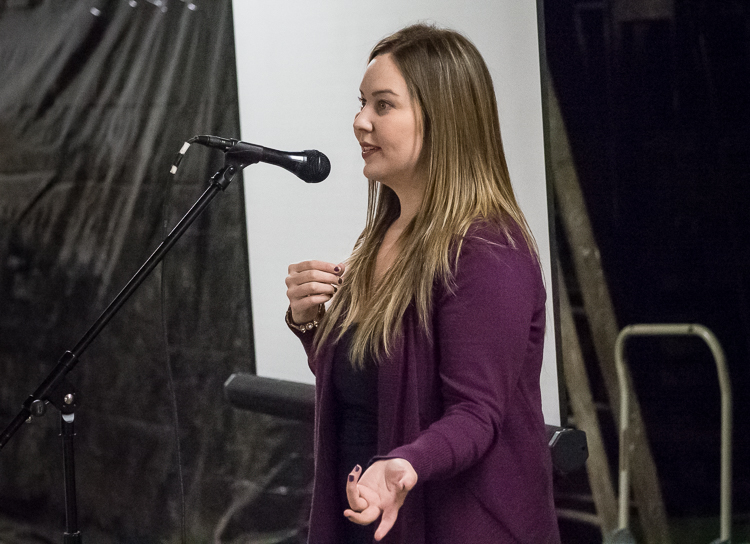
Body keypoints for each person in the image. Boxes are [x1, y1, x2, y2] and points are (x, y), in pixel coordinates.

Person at [285, 23, 560, 544]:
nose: (360, 122)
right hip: (370, 523)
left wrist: (405, 464)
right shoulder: (382, 236)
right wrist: (310, 323)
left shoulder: (486, 250)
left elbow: (477, 414)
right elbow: (372, 383)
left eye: (382, 105)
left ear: (442, 118)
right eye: (362, 103)